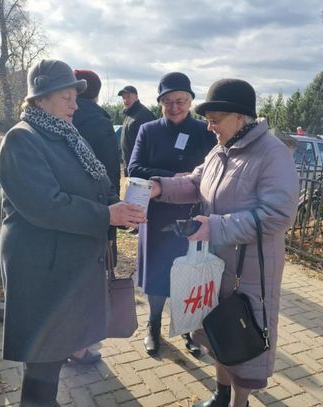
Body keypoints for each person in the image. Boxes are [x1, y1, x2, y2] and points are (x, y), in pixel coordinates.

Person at [0, 59, 146, 407]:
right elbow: (45, 205)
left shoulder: (66, 135)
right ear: (40, 98)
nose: (75, 105)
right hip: (42, 266)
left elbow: (93, 185)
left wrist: (119, 210)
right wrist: (105, 215)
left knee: (56, 351)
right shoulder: (22, 139)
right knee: (43, 361)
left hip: (65, 264)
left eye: (75, 98)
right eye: (66, 97)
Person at [149, 79, 299, 407]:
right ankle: (221, 394)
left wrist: (215, 227)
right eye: (208, 119)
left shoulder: (272, 153)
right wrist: (160, 187)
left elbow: (278, 214)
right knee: (217, 331)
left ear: (240, 117)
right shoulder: (221, 149)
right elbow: (196, 182)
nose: (209, 126)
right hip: (215, 265)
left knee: (241, 336)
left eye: (215, 119)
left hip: (251, 271)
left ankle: (239, 402)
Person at [128, 72, 216, 357]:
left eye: (180, 101)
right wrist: (172, 177)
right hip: (156, 214)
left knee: (188, 273)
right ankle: (153, 327)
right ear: (160, 102)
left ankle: (187, 328)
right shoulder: (149, 130)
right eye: (168, 102)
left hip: (192, 215)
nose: (174, 107)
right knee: (156, 274)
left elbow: (213, 170)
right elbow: (134, 168)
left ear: (190, 101)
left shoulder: (204, 131)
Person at [73, 69, 121, 265]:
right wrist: (111, 228)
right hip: (98, 206)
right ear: (96, 94)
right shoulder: (100, 122)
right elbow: (111, 171)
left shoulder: (56, 118)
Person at [118, 85, 156, 175]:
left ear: (136, 97)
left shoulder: (143, 115)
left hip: (141, 169)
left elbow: (150, 145)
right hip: (132, 167)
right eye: (123, 98)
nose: (125, 100)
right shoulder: (130, 114)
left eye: (128, 97)